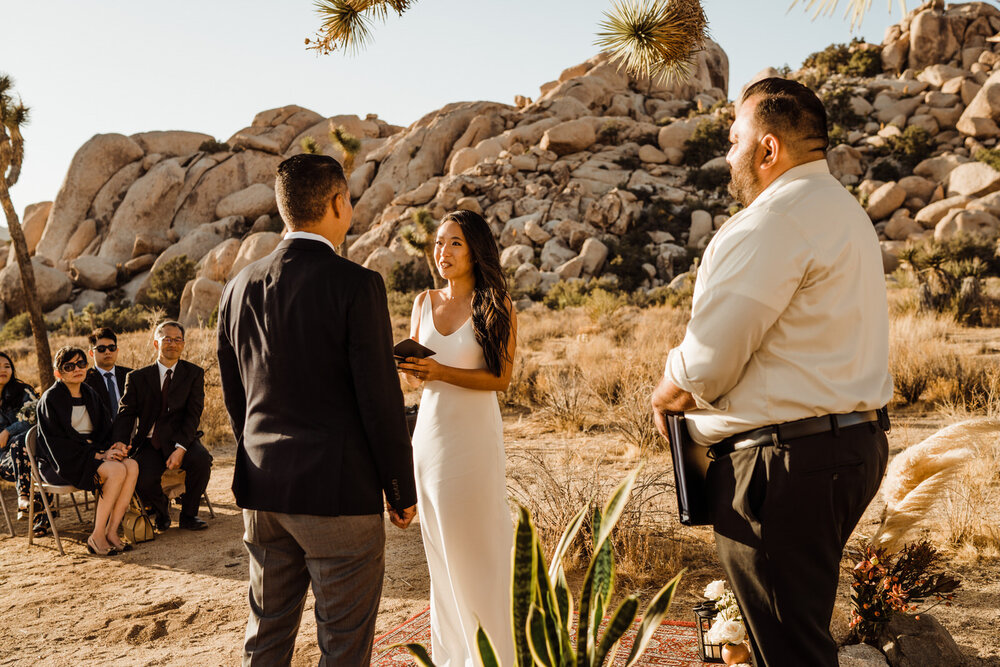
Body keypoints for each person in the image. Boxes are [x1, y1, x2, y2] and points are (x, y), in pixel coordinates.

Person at [650, 77, 892, 667]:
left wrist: (667, 390)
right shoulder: (847, 213)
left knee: (788, 650)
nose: (727, 154)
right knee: (793, 634)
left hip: (783, 466)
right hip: (849, 446)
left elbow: (710, 360)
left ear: (767, 150)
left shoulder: (772, 221)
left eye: (734, 140)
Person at [217, 153, 418, 667]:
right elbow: (379, 400)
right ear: (336, 203)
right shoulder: (357, 285)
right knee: (343, 648)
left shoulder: (236, 288)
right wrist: (399, 488)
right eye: (347, 198)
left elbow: (236, 395)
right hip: (337, 496)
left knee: (265, 639)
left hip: (262, 491)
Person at [397, 209, 517, 667]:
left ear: (474, 251)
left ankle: (496, 655)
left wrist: (440, 371)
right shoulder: (423, 301)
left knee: (480, 546)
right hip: (428, 437)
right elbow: (417, 383)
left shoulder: (496, 303)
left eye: (454, 244)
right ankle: (455, 658)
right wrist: (412, 371)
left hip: (473, 440)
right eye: (438, 243)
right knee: (442, 554)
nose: (441, 253)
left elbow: (501, 379)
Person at [37, 346, 139, 555]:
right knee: (116, 470)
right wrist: (100, 455)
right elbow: (57, 444)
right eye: (69, 366)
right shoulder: (51, 399)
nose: (77, 369)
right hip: (62, 462)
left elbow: (106, 428)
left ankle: (112, 532)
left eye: (81, 364)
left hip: (91, 454)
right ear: (58, 373)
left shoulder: (89, 393)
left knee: (131, 465)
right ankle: (96, 536)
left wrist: (116, 446)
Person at [112, 321, 212, 532]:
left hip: (181, 438)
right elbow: (126, 413)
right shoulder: (137, 377)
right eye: (167, 339)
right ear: (156, 344)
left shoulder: (194, 373)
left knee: (202, 460)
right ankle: (161, 511)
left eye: (177, 340)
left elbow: (193, 415)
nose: (172, 344)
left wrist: (181, 448)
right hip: (150, 441)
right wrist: (121, 441)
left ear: (183, 344)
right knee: (140, 475)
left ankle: (189, 515)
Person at [0, 350, 39, 523]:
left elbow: (33, 417)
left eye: (7, 366)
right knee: (35, 466)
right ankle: (41, 514)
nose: (3, 370)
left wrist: (8, 431)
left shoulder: (23, 391)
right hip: (4, 460)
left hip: (29, 449)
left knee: (20, 442)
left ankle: (23, 498)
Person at [84, 327, 132, 418]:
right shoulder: (84, 381)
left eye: (111, 348)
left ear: (117, 351)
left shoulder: (130, 376)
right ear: (91, 353)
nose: (107, 352)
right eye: (101, 349)